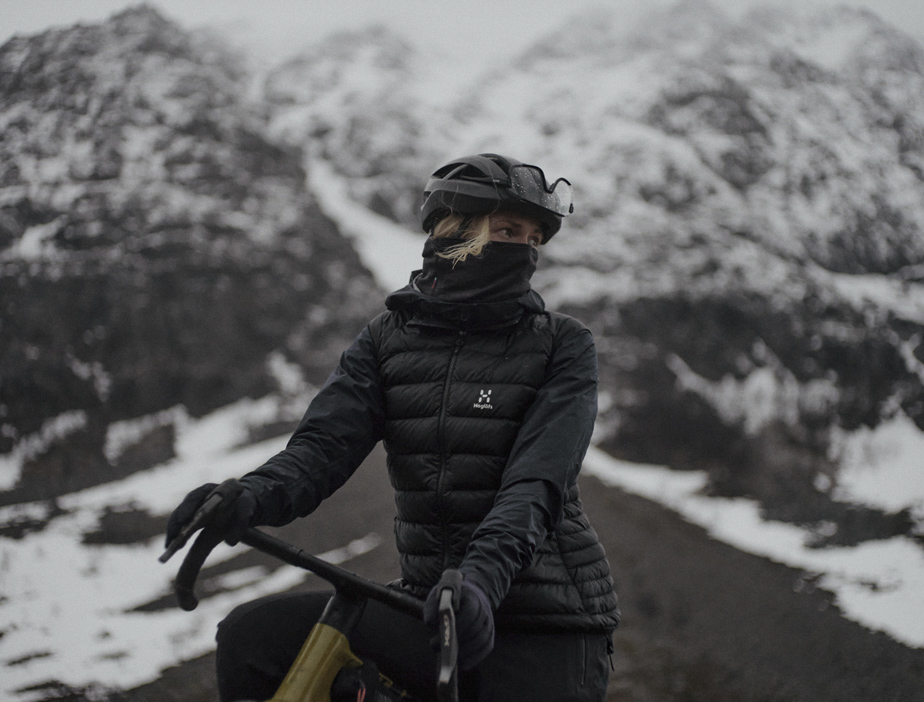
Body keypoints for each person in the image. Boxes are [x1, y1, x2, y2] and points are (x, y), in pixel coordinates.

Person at [164, 153, 621, 701]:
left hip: (547, 626)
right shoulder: (387, 340)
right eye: (507, 230)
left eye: (532, 238)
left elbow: (535, 486)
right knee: (251, 640)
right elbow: (321, 448)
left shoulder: (562, 344)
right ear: (455, 231)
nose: (524, 248)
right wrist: (247, 497)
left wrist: (479, 578)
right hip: (433, 608)